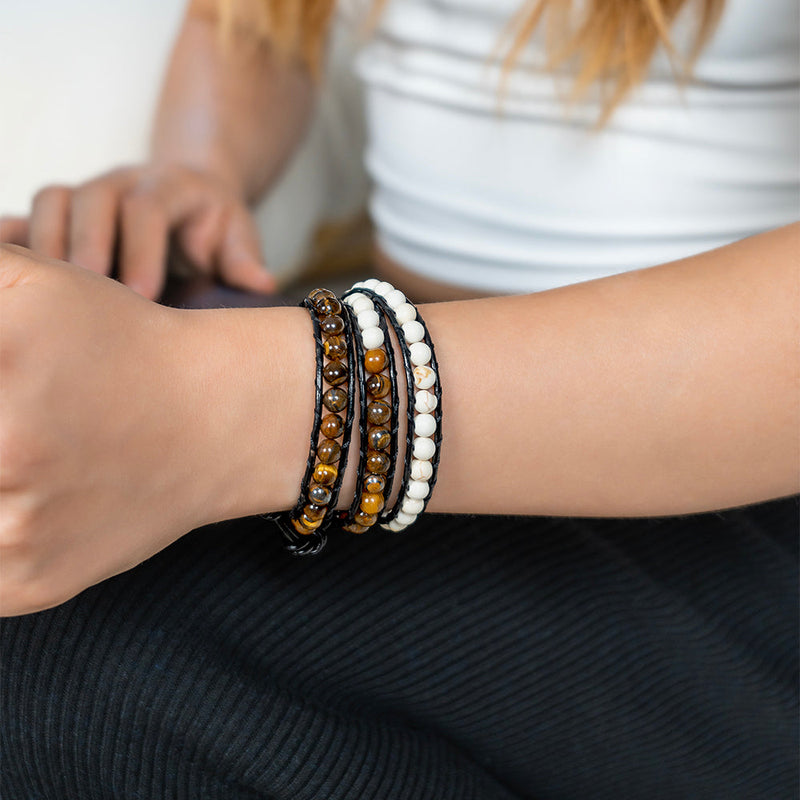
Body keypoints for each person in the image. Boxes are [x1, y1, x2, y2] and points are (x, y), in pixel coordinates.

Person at [0, 0, 797, 797]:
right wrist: (198, 168)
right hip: (381, 341)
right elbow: (255, 20)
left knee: (80, 659)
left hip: (738, 476)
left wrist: (243, 407)